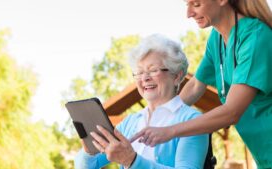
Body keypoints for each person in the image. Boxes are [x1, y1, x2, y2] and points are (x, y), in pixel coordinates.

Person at [130, 0, 272, 168]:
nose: (189, 13)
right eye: (187, 5)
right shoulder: (216, 39)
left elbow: (232, 112)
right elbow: (196, 85)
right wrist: (163, 117)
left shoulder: (255, 36)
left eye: (196, 4)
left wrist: (170, 131)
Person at [74, 34, 209, 169]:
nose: (144, 78)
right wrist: (88, 151)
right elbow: (87, 166)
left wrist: (132, 161)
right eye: (139, 72)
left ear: (177, 76)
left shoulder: (192, 120)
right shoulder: (129, 123)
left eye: (153, 70)